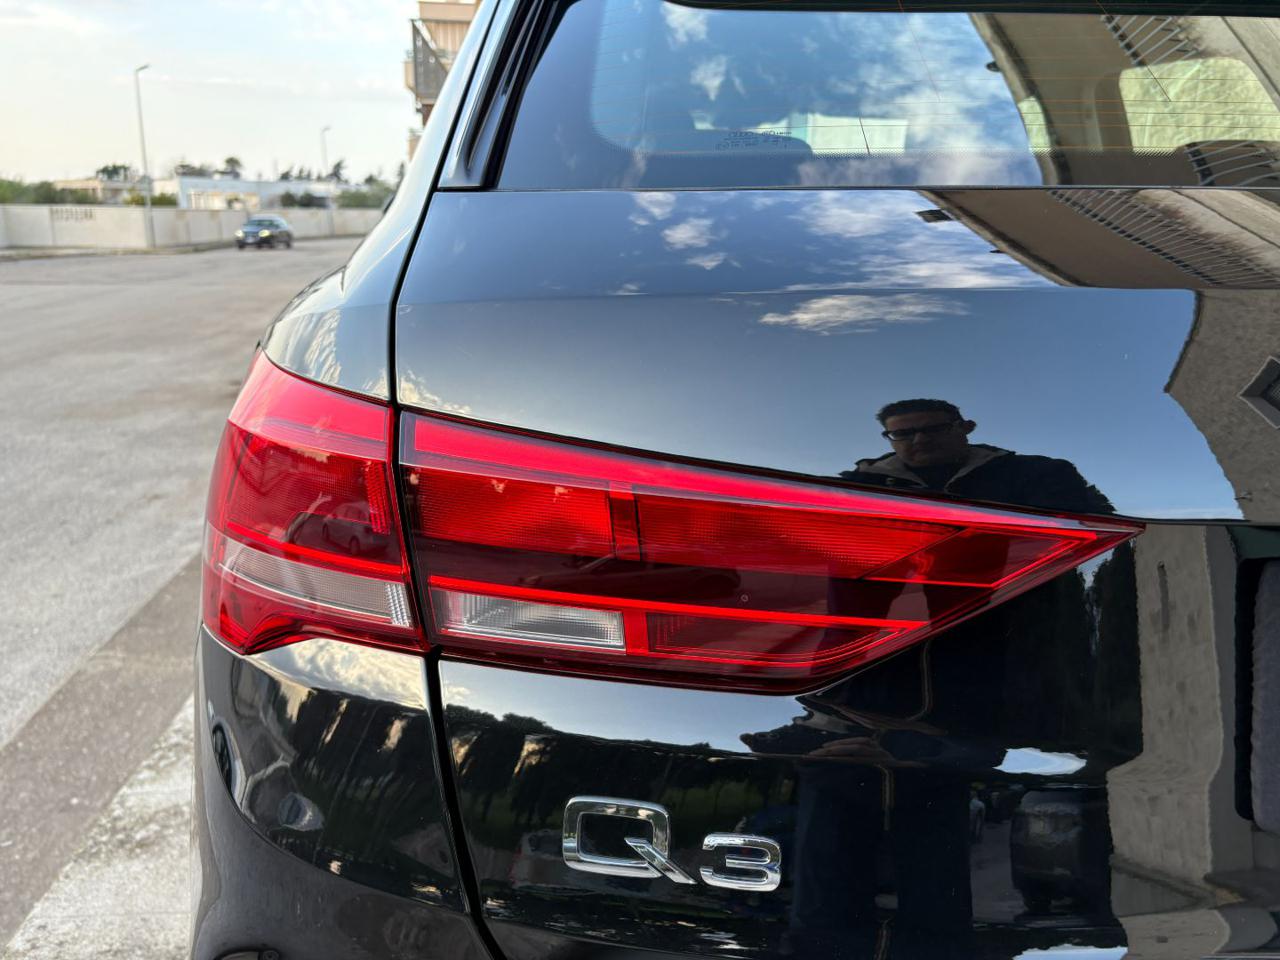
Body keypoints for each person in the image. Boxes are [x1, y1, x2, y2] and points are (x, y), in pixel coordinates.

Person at [842, 398, 1111, 515]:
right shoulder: (854, 487)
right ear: (888, 437)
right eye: (903, 434)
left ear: (966, 427)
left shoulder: (1040, 472)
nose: (920, 439)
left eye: (934, 429)